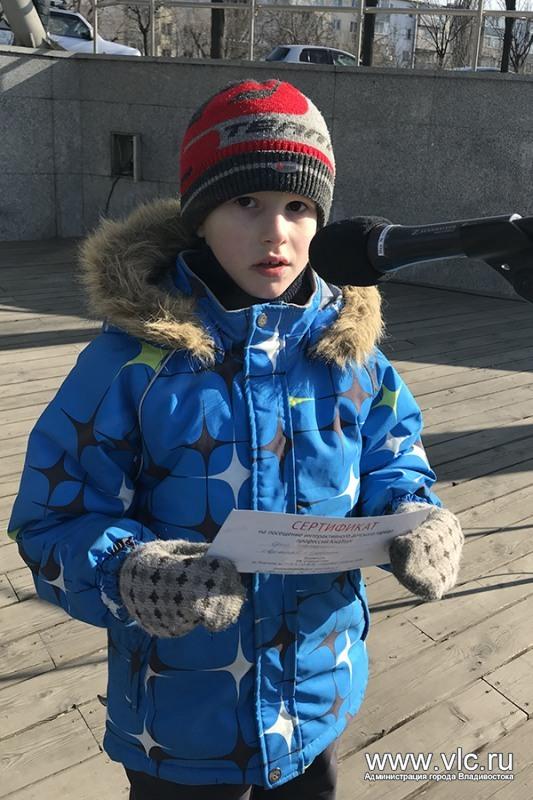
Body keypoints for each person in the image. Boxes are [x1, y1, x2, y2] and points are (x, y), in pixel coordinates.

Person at [8, 79, 463, 799]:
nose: (275, 231)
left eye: (298, 206)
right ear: (199, 217)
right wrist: (131, 573)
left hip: (316, 694)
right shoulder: (131, 366)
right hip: (180, 723)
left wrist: (415, 515)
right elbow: (50, 521)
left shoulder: (352, 355)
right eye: (245, 202)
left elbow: (393, 457)